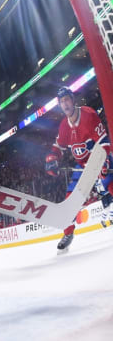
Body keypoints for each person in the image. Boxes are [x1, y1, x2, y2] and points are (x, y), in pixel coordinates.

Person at [45, 86, 113, 252]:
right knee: (69, 201)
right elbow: (58, 147)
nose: (65, 104)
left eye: (67, 99)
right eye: (61, 102)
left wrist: (104, 163)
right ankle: (68, 233)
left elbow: (104, 142)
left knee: (110, 185)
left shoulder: (88, 115)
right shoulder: (64, 126)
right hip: (82, 168)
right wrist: (52, 159)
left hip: (99, 161)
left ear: (73, 100)